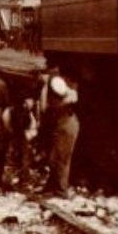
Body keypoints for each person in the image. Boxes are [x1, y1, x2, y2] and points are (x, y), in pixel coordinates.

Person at [37, 65, 80, 196]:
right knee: (54, 157)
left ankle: (61, 190)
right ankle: (51, 187)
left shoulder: (55, 84)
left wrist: (45, 87)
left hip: (66, 123)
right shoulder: (54, 84)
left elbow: (44, 107)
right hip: (62, 123)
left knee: (61, 158)